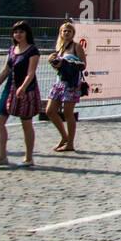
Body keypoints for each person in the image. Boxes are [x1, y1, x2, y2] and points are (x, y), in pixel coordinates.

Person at [0, 20, 41, 167]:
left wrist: (23, 86)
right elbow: (5, 71)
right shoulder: (12, 49)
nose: (18, 34)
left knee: (26, 123)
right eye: (16, 32)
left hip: (26, 90)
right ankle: (1, 156)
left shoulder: (33, 50)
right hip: (9, 88)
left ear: (27, 33)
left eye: (21, 31)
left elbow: (31, 72)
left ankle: (28, 157)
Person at [46, 21, 87, 152]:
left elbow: (83, 65)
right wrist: (53, 62)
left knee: (68, 113)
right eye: (64, 31)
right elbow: (58, 68)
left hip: (72, 84)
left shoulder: (76, 46)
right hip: (60, 82)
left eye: (69, 31)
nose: (66, 33)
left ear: (73, 33)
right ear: (60, 33)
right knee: (50, 111)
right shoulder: (60, 48)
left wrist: (65, 61)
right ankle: (64, 137)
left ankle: (70, 143)